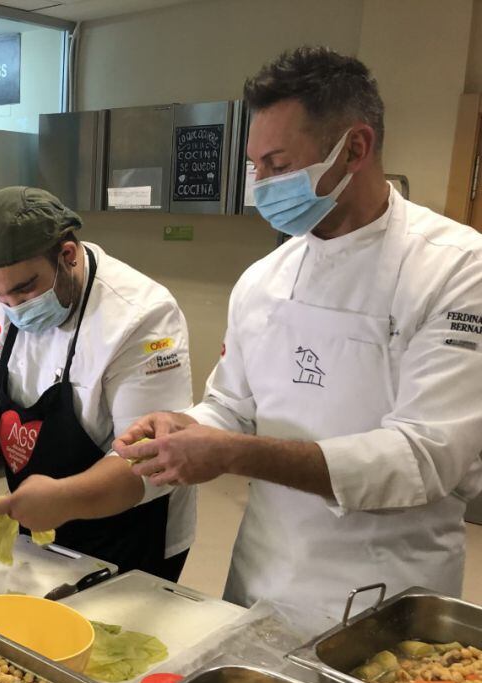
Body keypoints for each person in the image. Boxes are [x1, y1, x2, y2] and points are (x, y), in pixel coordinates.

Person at [117, 47, 482, 619]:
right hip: (262, 576)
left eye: (279, 165)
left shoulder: (456, 269)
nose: (261, 184)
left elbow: (425, 458)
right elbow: (231, 405)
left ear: (355, 148)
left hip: (384, 591)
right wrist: (185, 426)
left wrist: (234, 453)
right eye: (254, 166)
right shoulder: (265, 277)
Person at [0, 187, 195, 579]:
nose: (14, 307)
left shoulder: (141, 316)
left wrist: (65, 497)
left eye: (25, 288)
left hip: (131, 529)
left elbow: (150, 455)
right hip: (44, 525)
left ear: (68, 254)